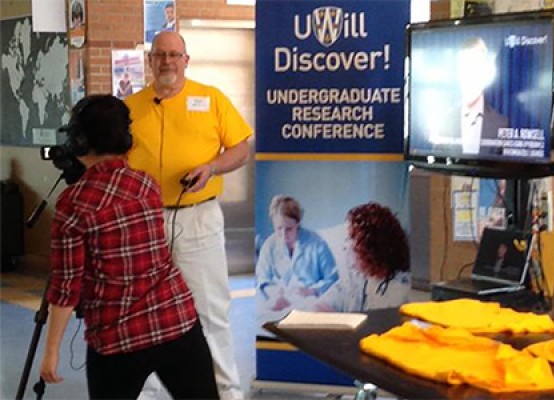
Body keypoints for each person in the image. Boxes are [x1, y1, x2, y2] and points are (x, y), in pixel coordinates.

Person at [39, 94, 219, 399]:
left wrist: (51, 350)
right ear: (128, 140)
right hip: (176, 320)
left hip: (117, 335)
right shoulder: (146, 184)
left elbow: (66, 284)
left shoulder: (74, 203)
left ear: (79, 143)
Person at [124, 31, 251, 400]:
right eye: (160, 55)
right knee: (140, 310)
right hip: (144, 222)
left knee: (210, 312)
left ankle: (226, 393)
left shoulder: (212, 99)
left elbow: (240, 149)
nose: (167, 62)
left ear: (186, 60)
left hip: (198, 217)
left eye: (174, 55)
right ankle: (146, 394)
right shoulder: (130, 108)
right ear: (150, 61)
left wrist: (211, 167)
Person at [255, 195, 339, 328]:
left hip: (309, 301)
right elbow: (262, 279)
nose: (283, 235)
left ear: (298, 223)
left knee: (319, 309)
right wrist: (274, 294)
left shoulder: (317, 244)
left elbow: (333, 280)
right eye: (279, 228)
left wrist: (311, 291)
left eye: (289, 229)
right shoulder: (269, 245)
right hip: (278, 303)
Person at [316, 202, 411, 312]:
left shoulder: (401, 293)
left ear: (371, 248)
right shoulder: (356, 279)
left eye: (352, 239)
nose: (346, 247)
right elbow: (326, 302)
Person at [430, 37, 508, 156]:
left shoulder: (501, 124)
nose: (470, 76)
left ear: (485, 73)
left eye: (476, 68)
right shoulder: (444, 121)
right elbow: (435, 168)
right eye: (465, 68)